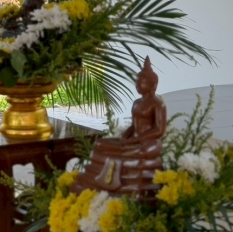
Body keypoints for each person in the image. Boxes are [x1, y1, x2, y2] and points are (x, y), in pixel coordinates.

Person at [71, 57, 167, 197]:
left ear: (153, 85)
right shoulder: (137, 103)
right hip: (132, 140)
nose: (137, 84)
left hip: (149, 142)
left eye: (141, 81)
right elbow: (134, 125)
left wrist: (138, 139)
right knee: (99, 143)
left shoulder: (158, 104)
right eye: (137, 81)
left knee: (136, 152)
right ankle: (99, 178)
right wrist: (127, 134)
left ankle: (119, 183)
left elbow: (159, 130)